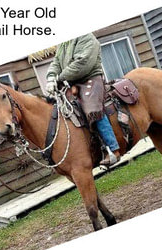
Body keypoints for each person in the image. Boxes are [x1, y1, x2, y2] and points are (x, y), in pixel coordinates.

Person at [45, 33, 120, 166]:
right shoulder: (64, 43)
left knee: (92, 109)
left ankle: (113, 149)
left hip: (91, 77)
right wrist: (51, 77)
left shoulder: (86, 37)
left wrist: (59, 78)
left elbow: (83, 62)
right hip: (73, 82)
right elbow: (56, 62)